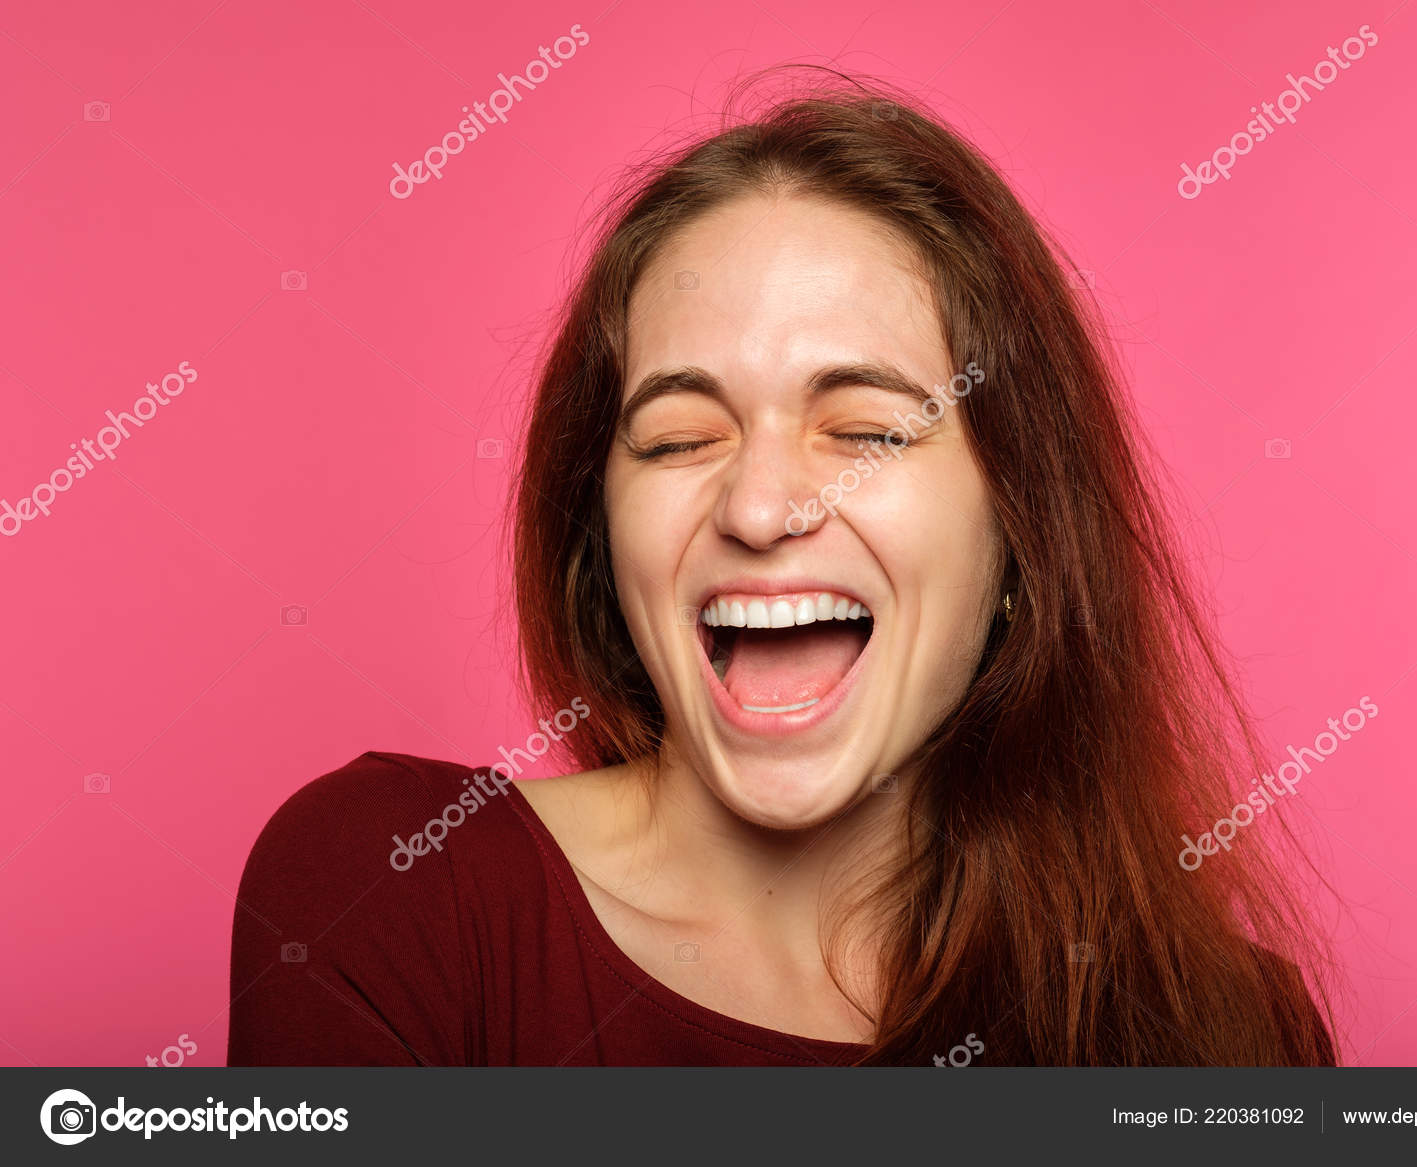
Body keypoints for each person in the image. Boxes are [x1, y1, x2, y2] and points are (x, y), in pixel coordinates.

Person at [228, 70, 1336, 1066]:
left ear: (1021, 533)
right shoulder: (394, 890)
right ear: (599, 535)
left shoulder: (1227, 1037)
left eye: (865, 431)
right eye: (677, 439)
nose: (761, 508)